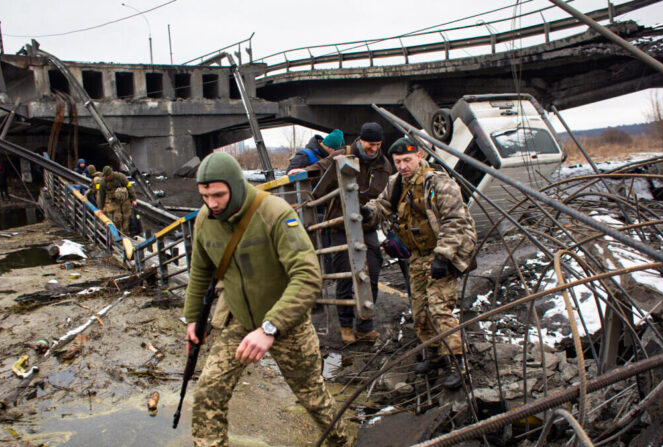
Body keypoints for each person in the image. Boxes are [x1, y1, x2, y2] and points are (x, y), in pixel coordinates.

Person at [184, 152, 351, 447]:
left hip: (286, 323)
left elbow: (308, 276)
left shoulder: (274, 213)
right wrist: (191, 320)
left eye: (219, 195)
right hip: (236, 318)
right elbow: (199, 272)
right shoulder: (204, 220)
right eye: (205, 196)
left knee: (312, 397)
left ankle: (341, 442)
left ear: (235, 186)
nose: (212, 203)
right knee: (208, 391)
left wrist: (270, 327)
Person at [362, 137, 477, 389]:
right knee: (420, 309)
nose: (402, 166)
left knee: (438, 309)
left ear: (419, 156)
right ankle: (433, 354)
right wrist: (368, 212)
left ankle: (458, 363)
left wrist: (443, 255)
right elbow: (382, 204)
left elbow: (455, 220)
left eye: (407, 160)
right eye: (397, 162)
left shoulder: (438, 183)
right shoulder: (397, 183)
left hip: (442, 254)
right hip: (417, 255)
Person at [305, 122, 393, 344]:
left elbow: (385, 195)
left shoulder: (384, 165)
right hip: (340, 223)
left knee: (371, 271)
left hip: (366, 223)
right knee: (346, 274)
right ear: (360, 140)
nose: (373, 149)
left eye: (377, 144)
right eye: (370, 144)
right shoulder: (343, 154)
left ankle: (365, 326)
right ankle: (345, 326)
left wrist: (373, 212)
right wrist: (302, 173)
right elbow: (321, 169)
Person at [97, 166, 136, 233]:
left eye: (108, 176)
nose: (107, 177)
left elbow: (129, 186)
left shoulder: (120, 176)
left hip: (125, 199)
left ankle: (125, 234)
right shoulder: (103, 182)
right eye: (106, 176)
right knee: (117, 218)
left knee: (126, 217)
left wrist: (133, 199)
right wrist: (100, 208)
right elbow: (101, 195)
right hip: (114, 201)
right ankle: (118, 233)